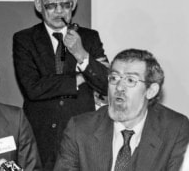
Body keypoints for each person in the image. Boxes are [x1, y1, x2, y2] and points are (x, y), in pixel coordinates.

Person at [12, 0, 109, 169]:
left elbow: (107, 83)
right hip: (40, 138)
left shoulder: (89, 38)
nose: (59, 11)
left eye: (65, 4)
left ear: (73, 4)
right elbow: (33, 88)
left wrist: (82, 54)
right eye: (51, 5)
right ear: (39, 5)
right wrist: (81, 77)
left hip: (82, 136)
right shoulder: (24, 39)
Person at [54, 48, 189, 171]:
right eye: (114, 78)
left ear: (151, 91)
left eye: (130, 80)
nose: (118, 87)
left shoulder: (175, 129)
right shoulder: (80, 128)